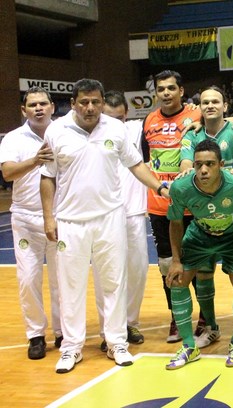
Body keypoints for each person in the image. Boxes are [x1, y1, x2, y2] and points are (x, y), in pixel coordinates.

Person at [40, 78, 169, 374]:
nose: (90, 107)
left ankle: (116, 343)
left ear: (101, 102)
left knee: (113, 283)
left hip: (110, 217)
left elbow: (136, 165)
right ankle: (71, 347)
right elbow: (47, 176)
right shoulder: (56, 130)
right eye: (84, 102)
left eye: (95, 102)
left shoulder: (115, 129)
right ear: (72, 103)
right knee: (70, 286)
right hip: (70, 220)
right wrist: (49, 217)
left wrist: (160, 188)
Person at [164, 139, 233, 369]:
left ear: (221, 165)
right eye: (198, 164)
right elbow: (175, 223)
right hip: (200, 235)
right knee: (177, 281)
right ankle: (189, 346)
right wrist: (176, 260)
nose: (203, 170)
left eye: (210, 164)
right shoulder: (181, 187)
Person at [0, 87, 61, 360]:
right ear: (23, 110)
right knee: (28, 279)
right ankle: (36, 335)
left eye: (43, 104)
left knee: (62, 281)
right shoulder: (13, 138)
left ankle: (62, 332)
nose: (38, 108)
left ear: (52, 107)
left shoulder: (64, 133)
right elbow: (8, 173)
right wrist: (35, 160)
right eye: (33, 105)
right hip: (25, 218)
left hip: (59, 216)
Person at [142, 70, 203, 343]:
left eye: (170, 88)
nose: (165, 93)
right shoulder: (149, 120)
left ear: (181, 91)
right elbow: (146, 161)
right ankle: (177, 316)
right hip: (160, 205)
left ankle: (206, 315)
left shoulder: (197, 114)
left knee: (199, 263)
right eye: (161, 89)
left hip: (193, 204)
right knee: (167, 264)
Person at [91, 91, 149, 350]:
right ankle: (108, 330)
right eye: (109, 117)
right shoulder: (90, 135)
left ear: (127, 115)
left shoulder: (136, 129)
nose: (115, 122)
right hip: (102, 215)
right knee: (105, 275)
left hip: (133, 212)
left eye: (120, 117)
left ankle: (129, 322)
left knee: (138, 271)